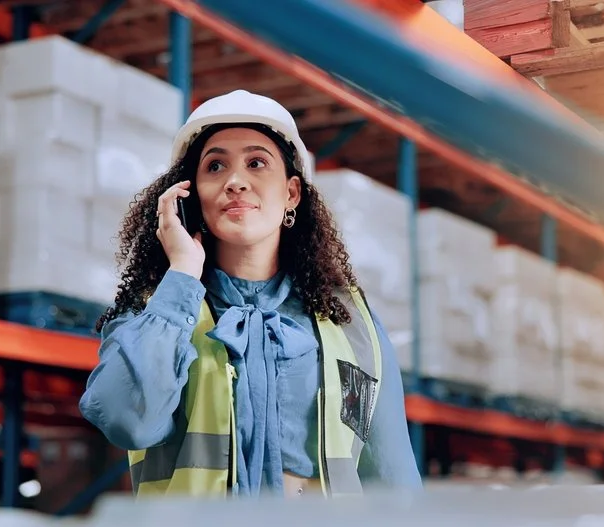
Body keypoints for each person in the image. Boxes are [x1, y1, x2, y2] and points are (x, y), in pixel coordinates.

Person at [79, 90, 422, 499]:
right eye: (215, 165)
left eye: (256, 163)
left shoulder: (348, 324)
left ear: (292, 193)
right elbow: (124, 418)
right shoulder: (153, 310)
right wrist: (183, 276)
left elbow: (390, 475)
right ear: (190, 196)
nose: (236, 181)